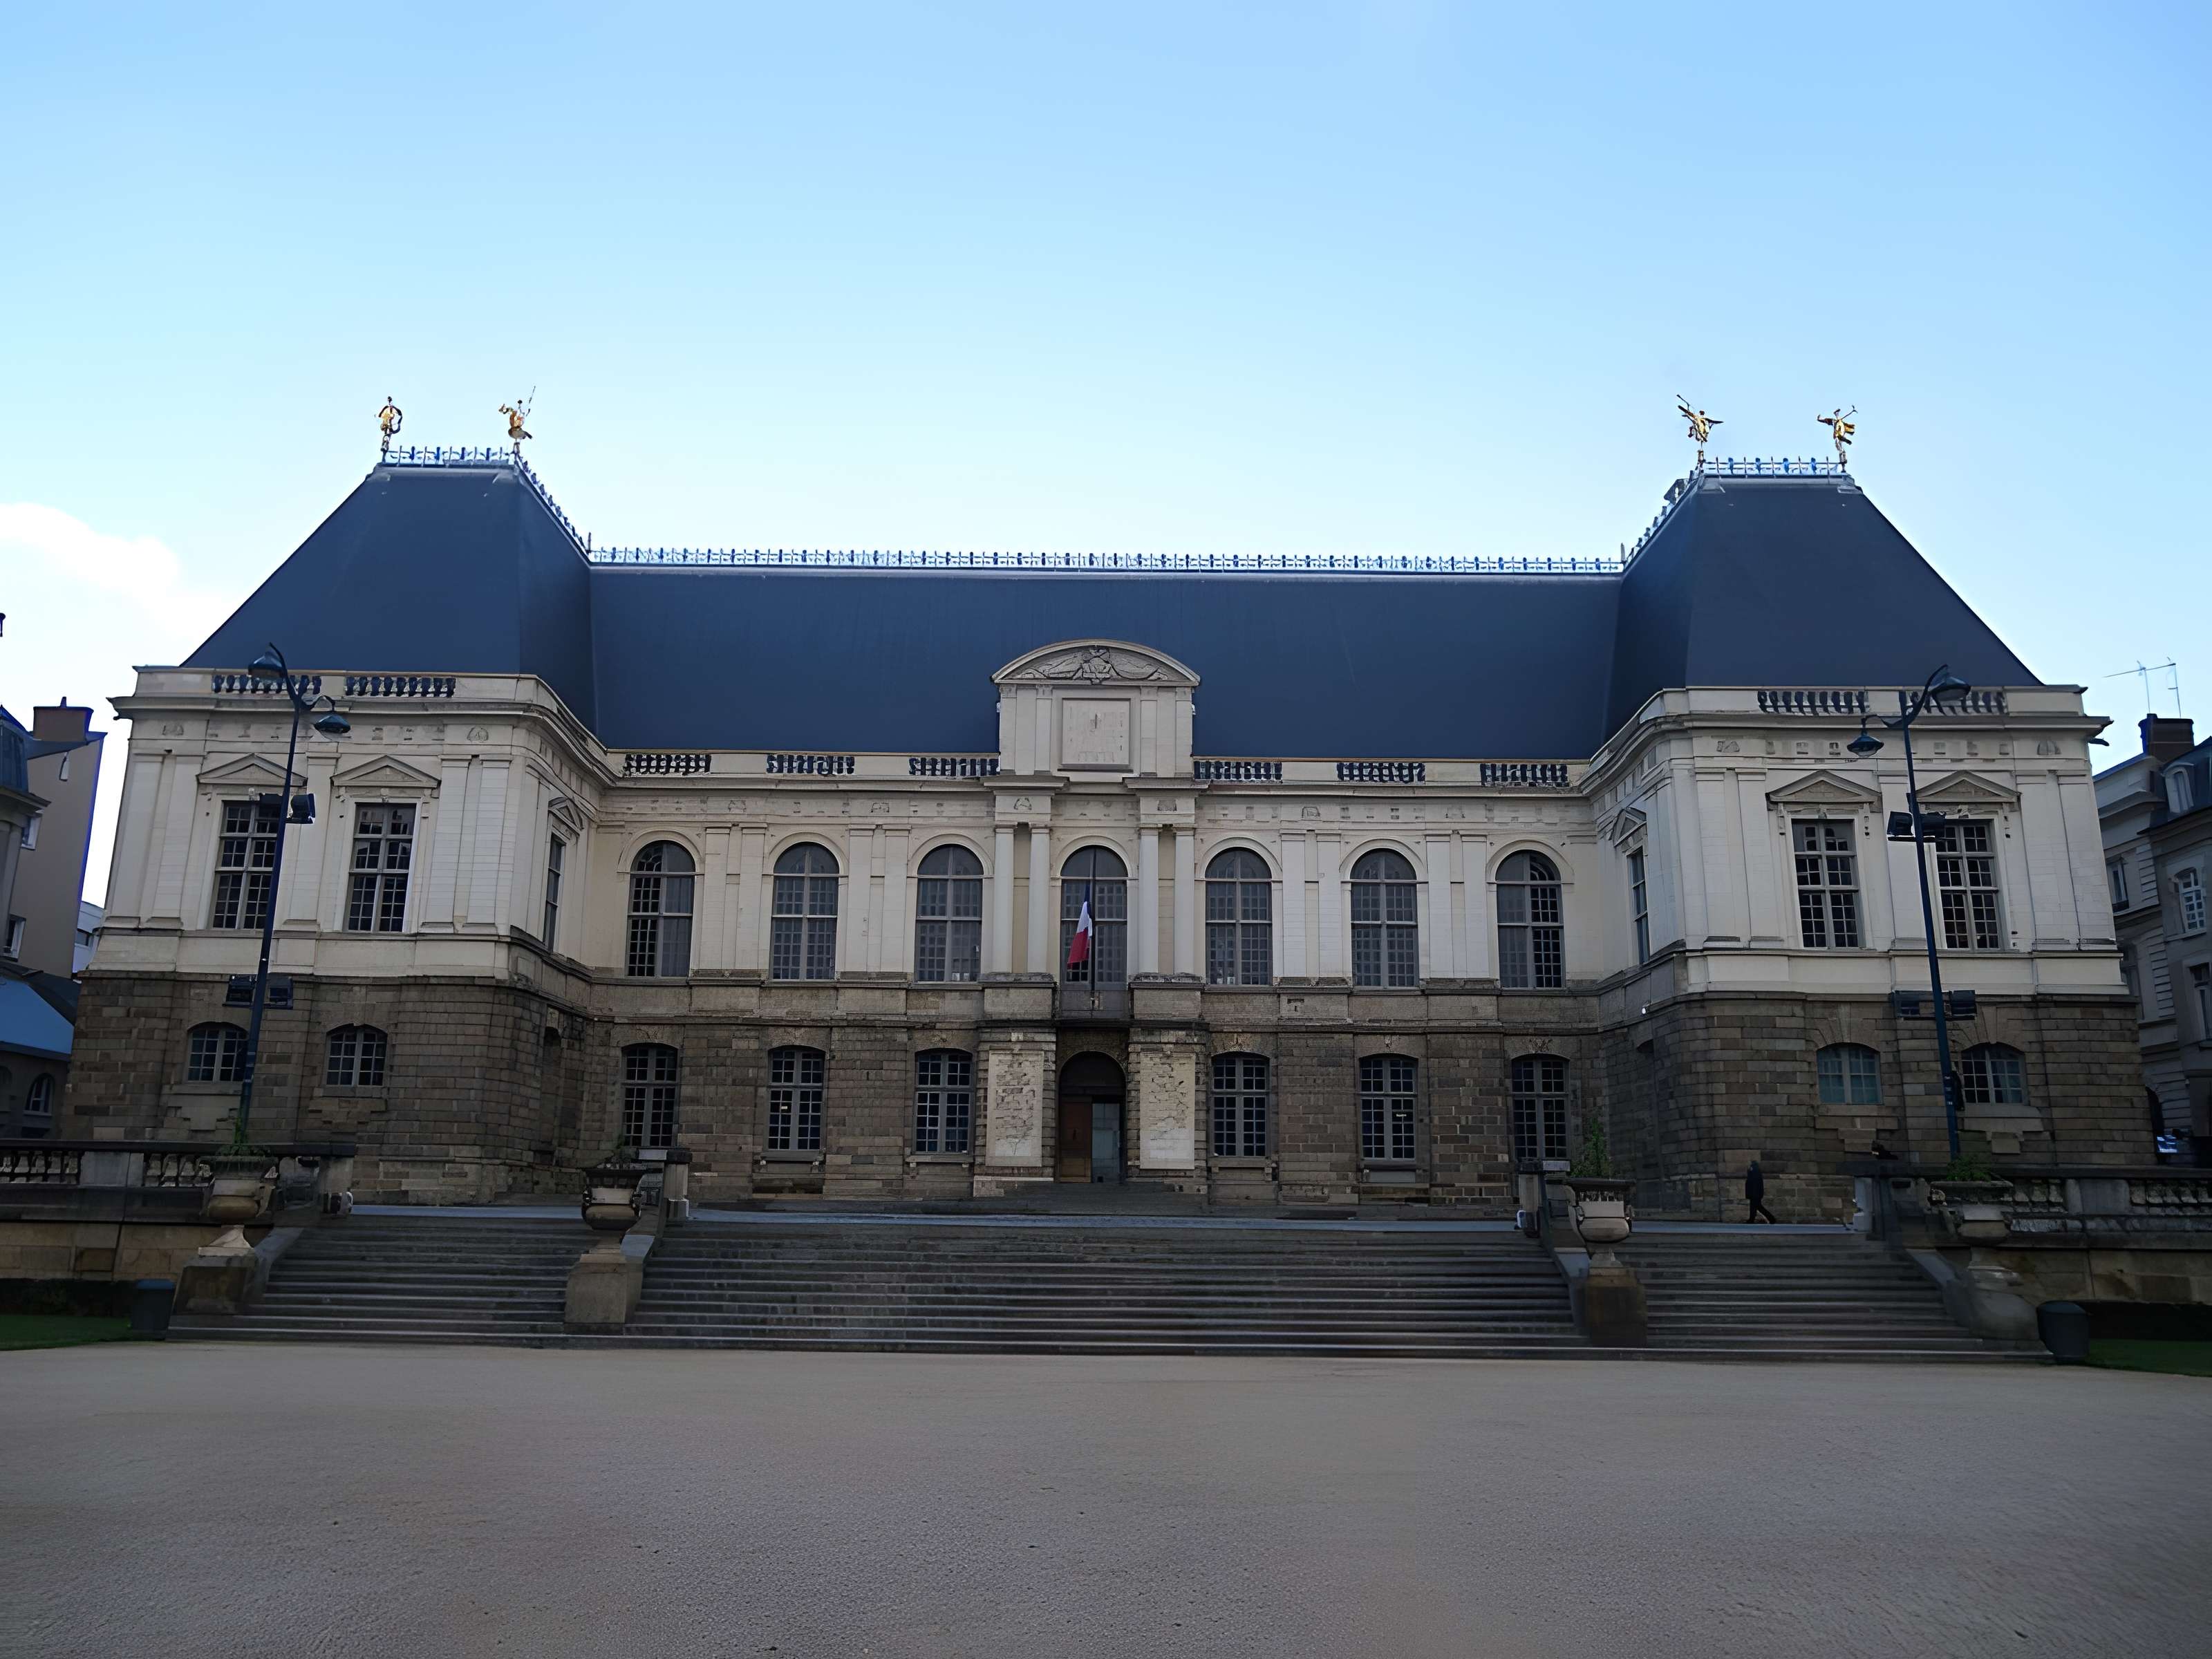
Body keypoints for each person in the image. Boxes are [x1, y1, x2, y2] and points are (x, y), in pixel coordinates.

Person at [1745, 1161, 1779, 1225]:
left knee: (1758, 1208)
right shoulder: (1755, 1172)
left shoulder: (1755, 1172)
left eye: (1750, 1166)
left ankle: (1772, 1219)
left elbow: (1753, 1184)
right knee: (1755, 1207)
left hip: (1755, 1194)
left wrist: (1752, 1194)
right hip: (1755, 1194)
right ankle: (1752, 1220)